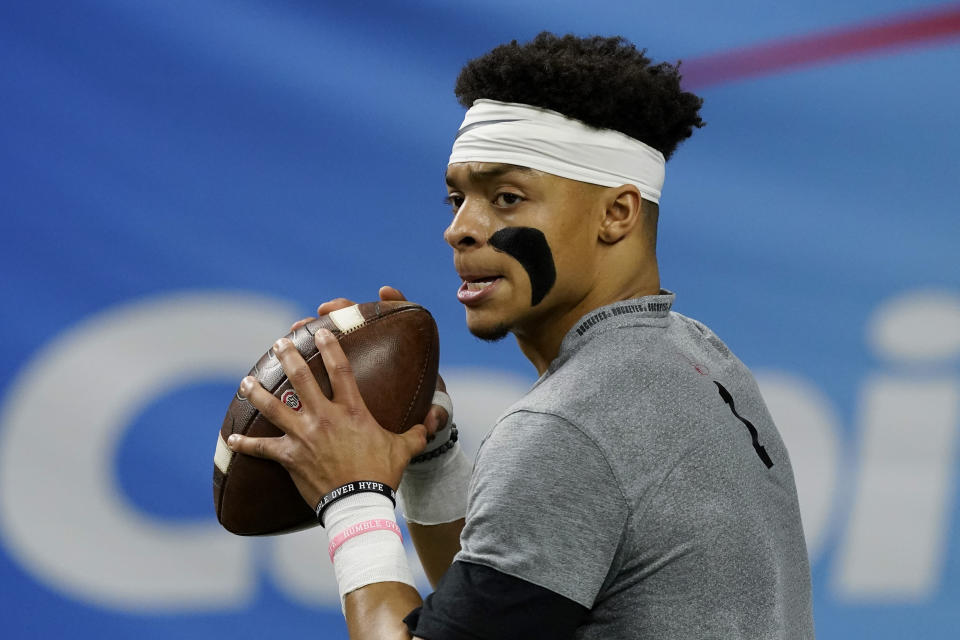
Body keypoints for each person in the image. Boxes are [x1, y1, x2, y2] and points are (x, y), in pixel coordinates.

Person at [226, 32, 815, 639]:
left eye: (506, 198)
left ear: (618, 213)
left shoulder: (570, 427)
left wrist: (352, 497)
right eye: (457, 198)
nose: (460, 230)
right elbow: (501, 609)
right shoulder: (698, 353)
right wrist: (430, 451)